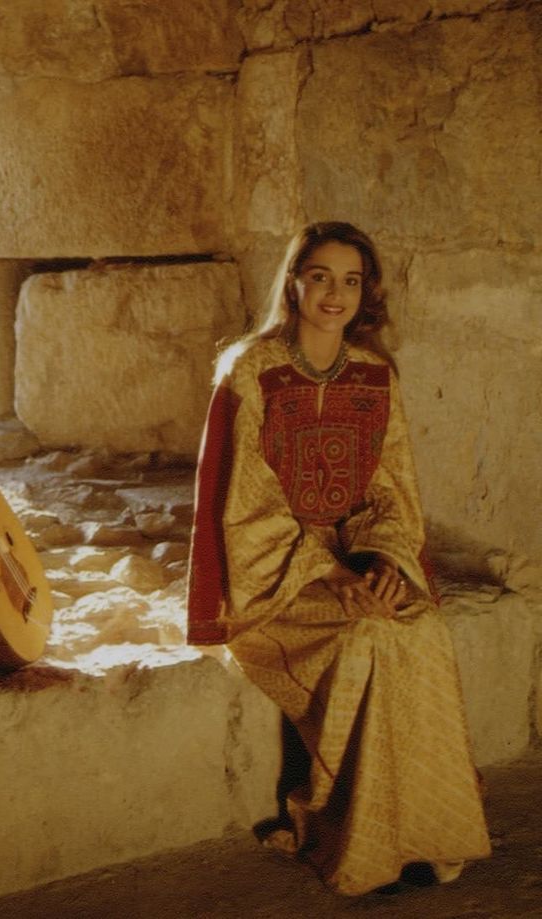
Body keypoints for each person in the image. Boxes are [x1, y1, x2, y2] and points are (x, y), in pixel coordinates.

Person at [187, 221, 490, 895]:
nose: (334, 293)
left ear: (367, 291)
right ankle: (352, 837)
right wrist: (332, 573)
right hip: (277, 577)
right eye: (320, 275)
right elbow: (249, 504)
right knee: (364, 640)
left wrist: (382, 566)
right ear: (293, 282)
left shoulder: (377, 374)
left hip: (359, 563)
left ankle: (423, 835)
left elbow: (392, 487)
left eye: (350, 280)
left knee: (420, 628)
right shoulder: (251, 369)